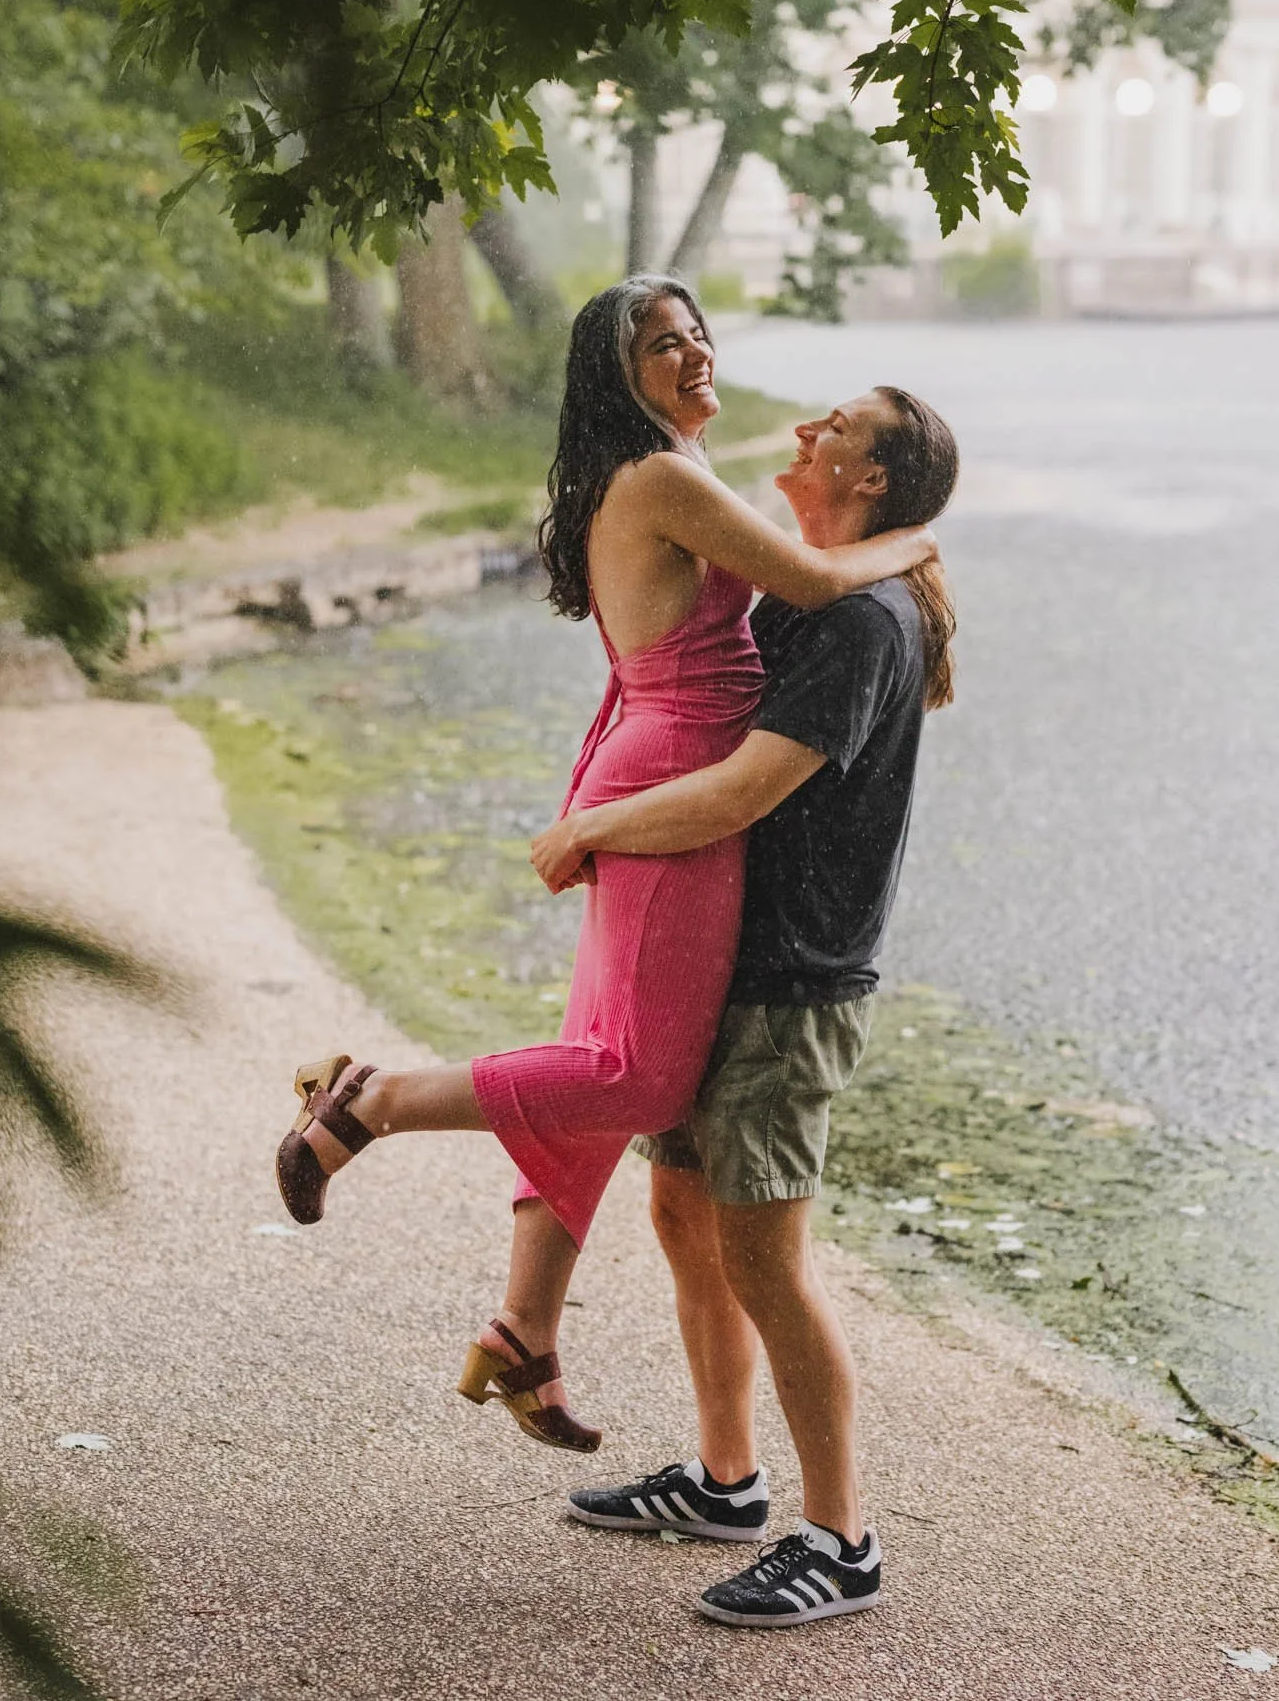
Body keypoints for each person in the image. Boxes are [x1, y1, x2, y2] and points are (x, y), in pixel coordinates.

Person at [274, 276, 935, 1455]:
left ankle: (525, 1328)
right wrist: (912, 539)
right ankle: (369, 1100)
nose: (691, 352)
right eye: (660, 344)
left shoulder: (656, 475)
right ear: (614, 377)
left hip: (645, 755)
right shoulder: (667, 477)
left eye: (694, 333)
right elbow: (812, 579)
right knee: (629, 1077)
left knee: (598, 1052)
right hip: (679, 776)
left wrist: (595, 796)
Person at [528, 384, 958, 1627]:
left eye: (839, 424)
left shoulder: (860, 622)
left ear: (871, 478)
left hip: (793, 983)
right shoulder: (807, 588)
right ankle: (726, 1481)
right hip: (721, 964)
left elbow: (741, 791)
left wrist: (591, 829)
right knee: (682, 1211)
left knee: (767, 1258)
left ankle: (843, 1540)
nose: (809, 425)